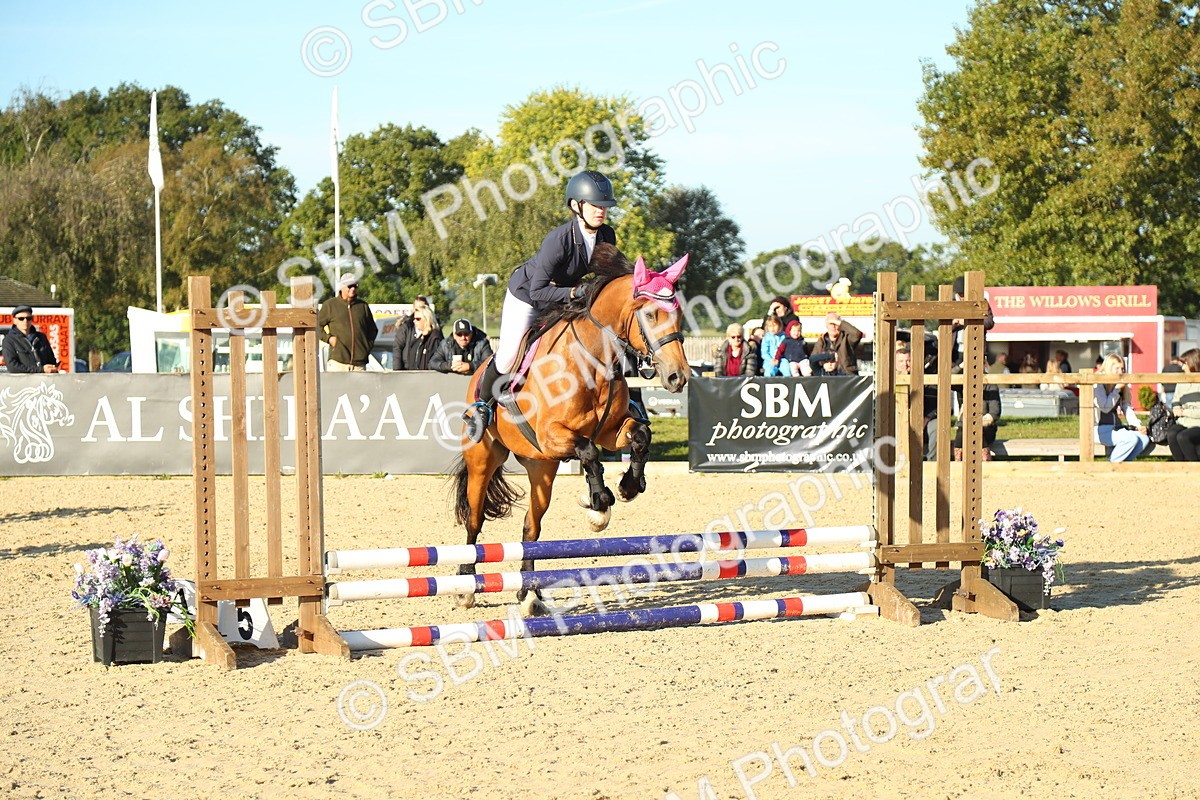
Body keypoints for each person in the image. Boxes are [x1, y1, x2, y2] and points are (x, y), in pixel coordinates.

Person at [464, 170, 617, 441]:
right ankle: (481, 407)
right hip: (527, 296)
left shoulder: (607, 235)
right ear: (576, 205)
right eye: (595, 205)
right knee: (509, 355)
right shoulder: (558, 240)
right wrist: (574, 292)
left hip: (565, 296)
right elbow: (538, 291)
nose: (601, 211)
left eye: (604, 206)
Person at [1094, 353, 1149, 462]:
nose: (1121, 372)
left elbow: (1126, 407)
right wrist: (1116, 390)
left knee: (1144, 439)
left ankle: (1120, 465)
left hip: (1115, 427)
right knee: (1130, 439)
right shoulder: (1098, 383)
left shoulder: (1120, 385)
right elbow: (1105, 408)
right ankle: (1110, 466)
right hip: (1098, 429)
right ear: (1109, 368)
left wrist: (1138, 425)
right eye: (1117, 368)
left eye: (1122, 369)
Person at [318, 274, 378, 371]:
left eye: (355, 286)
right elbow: (316, 326)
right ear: (342, 287)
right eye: (350, 286)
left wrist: (366, 347)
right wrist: (329, 339)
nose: (353, 289)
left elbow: (373, 330)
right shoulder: (330, 305)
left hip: (359, 365)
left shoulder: (363, 306)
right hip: (338, 363)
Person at [1165, 348, 1200, 462]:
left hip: (1197, 423)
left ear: (1193, 363)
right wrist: (1175, 406)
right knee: (1171, 434)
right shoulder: (1182, 381)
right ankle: (1180, 466)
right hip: (1183, 421)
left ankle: (1194, 467)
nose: (1183, 367)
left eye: (1185, 364)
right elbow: (1176, 399)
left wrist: (1183, 412)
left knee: (1183, 437)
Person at [2, 305, 60, 373]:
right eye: (21, 318)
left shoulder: (41, 337)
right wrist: (40, 369)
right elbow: (12, 367)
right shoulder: (9, 340)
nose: (25, 321)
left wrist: (52, 368)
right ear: (14, 320)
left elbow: (51, 360)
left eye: (28, 318)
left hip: (44, 379)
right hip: (22, 379)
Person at [394, 306, 443, 370]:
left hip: (426, 375)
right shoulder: (418, 338)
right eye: (414, 319)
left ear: (427, 319)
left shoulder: (434, 338)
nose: (414, 321)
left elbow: (434, 364)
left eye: (418, 319)